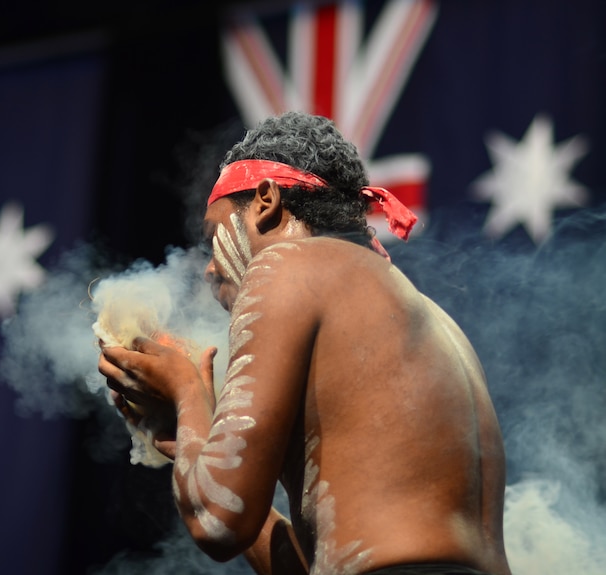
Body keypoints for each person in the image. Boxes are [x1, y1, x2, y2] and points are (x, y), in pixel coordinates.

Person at [98, 112, 512, 575]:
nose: (209, 269)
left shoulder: (285, 267)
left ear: (266, 202)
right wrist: (189, 432)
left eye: (214, 237)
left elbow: (217, 522)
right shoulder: (429, 316)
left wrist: (187, 390)